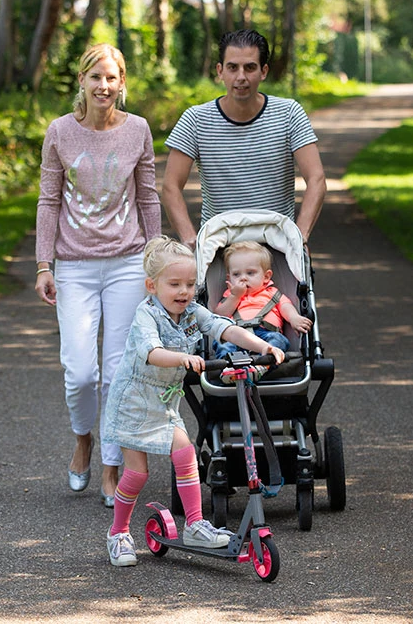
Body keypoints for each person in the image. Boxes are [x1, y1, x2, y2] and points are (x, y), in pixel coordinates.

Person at [102, 236, 285, 567]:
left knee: (186, 453)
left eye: (189, 284)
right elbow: (152, 352)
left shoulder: (191, 312)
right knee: (137, 473)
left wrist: (263, 347)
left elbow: (224, 328)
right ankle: (118, 533)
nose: (184, 291)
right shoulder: (146, 315)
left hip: (165, 403)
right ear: (152, 286)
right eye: (174, 284)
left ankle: (196, 525)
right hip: (134, 403)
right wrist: (182, 359)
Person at [35, 43, 161, 508]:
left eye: (111, 78)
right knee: (80, 373)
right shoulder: (60, 132)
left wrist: (156, 260)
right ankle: (82, 437)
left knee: (118, 373)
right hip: (74, 265)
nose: (103, 86)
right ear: (82, 82)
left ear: (122, 82)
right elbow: (49, 200)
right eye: (95, 77)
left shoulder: (138, 130)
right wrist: (44, 264)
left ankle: (111, 467)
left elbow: (147, 197)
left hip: (127, 262)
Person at [161, 29, 326, 249]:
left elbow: (316, 178)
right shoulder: (195, 120)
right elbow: (171, 186)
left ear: (263, 71)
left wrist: (299, 236)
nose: (241, 77)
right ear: (220, 71)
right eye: (232, 67)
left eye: (250, 67)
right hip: (218, 247)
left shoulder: (289, 114)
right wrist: (191, 239)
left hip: (277, 246)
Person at [213, 240, 312, 358]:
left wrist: (294, 318)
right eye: (236, 274)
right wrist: (235, 296)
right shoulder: (230, 295)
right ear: (229, 278)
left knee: (278, 340)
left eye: (250, 273)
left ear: (266, 276)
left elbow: (286, 306)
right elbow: (219, 316)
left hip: (266, 333)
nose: (243, 278)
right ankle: (230, 365)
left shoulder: (272, 293)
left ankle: (263, 364)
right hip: (236, 335)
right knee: (223, 343)